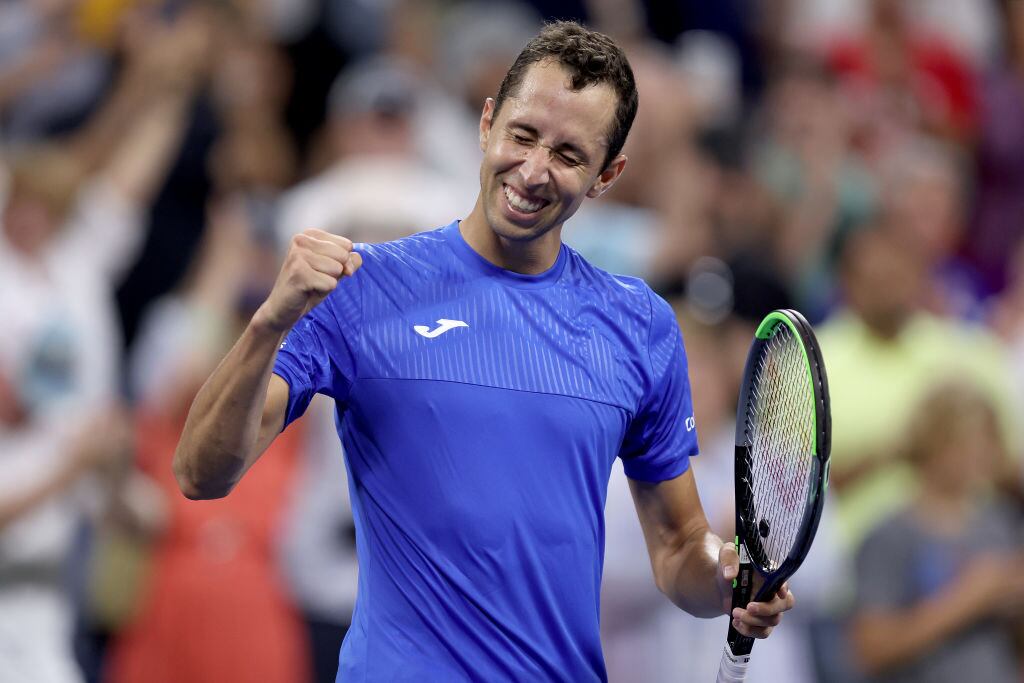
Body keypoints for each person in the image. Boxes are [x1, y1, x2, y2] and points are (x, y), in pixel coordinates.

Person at [172, 21, 794, 681]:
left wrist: (728, 576)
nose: (531, 170)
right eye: (522, 135)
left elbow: (675, 548)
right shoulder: (365, 287)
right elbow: (201, 471)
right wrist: (270, 320)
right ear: (488, 122)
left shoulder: (638, 324)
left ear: (608, 174)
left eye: (567, 154)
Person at [849, 381, 1024, 683]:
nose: (978, 454)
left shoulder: (1002, 523)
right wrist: (969, 598)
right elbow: (870, 651)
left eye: (986, 440)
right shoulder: (888, 535)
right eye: (963, 442)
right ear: (929, 444)